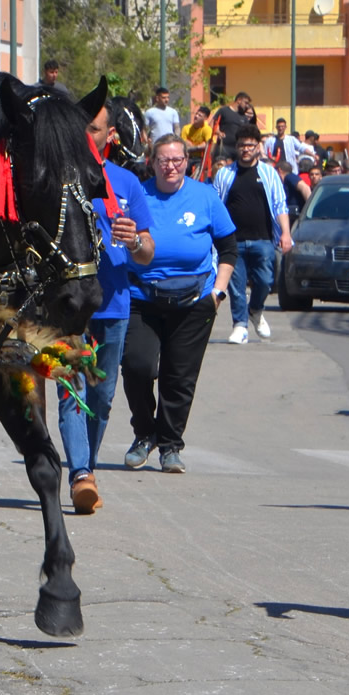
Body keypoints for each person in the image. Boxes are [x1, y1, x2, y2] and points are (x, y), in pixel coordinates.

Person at [121, 135, 236, 474]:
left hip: (195, 301)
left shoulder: (205, 196)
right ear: (151, 163)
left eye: (177, 160)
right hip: (143, 298)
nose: (170, 166)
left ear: (187, 162)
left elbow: (229, 249)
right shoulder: (137, 196)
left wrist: (218, 293)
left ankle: (170, 445)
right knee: (138, 366)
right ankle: (144, 434)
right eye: (163, 160)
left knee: (179, 376)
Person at [63, 91, 154, 513]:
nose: (85, 134)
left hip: (113, 305)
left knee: (100, 398)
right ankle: (80, 473)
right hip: (68, 307)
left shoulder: (127, 183)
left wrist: (134, 240)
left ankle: (89, 469)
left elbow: (148, 252)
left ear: (111, 135)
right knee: (72, 392)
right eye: (80, 127)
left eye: (94, 128)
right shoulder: (61, 176)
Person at [210, 126, 290, 344]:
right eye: (242, 145)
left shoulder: (268, 173)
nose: (245, 149)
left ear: (258, 147)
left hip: (263, 239)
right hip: (232, 241)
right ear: (236, 147)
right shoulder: (225, 174)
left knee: (265, 281)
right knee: (236, 287)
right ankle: (240, 326)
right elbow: (215, 206)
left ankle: (255, 309)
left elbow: (280, 204)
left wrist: (285, 233)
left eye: (250, 145)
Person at [183, 105, 213, 171]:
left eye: (200, 115)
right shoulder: (186, 128)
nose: (196, 116)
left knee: (198, 170)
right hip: (188, 157)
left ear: (205, 118)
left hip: (200, 159)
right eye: (196, 114)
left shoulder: (207, 129)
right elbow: (183, 145)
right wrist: (199, 146)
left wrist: (192, 147)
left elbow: (208, 145)